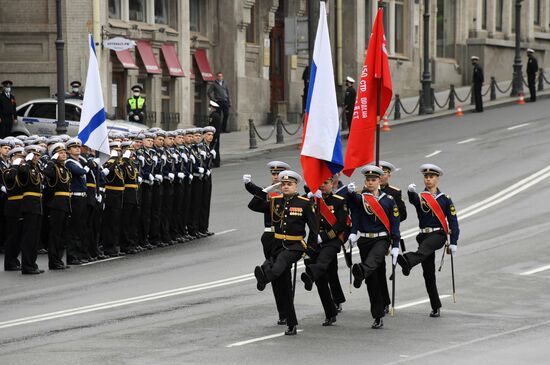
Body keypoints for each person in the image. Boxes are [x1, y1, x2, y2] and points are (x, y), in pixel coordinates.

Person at [252, 170, 318, 336]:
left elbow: (314, 230)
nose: (286, 186)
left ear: (296, 186)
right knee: (284, 287)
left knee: (280, 263)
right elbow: (253, 205)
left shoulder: (304, 203)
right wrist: (266, 190)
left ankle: (265, 278)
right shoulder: (276, 201)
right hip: (277, 243)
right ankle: (291, 323)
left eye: (289, 184)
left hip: (295, 245)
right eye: (283, 184)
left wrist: (309, 251)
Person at [397, 164, 459, 318]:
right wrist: (410, 192)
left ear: (437, 179)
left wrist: (454, 241)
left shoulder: (445, 199)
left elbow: (453, 221)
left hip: (438, 235)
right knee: (428, 273)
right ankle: (435, 306)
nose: (428, 179)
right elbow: (413, 201)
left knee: (425, 249)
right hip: (423, 236)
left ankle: (408, 261)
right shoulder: (420, 197)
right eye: (426, 177)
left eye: (431, 177)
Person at [344, 165, 401, 329]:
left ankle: (360, 270)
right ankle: (377, 315)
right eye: (368, 180)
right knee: (373, 280)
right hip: (365, 240)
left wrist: (396, 244)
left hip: (381, 240)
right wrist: (353, 233)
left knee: (373, 261)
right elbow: (354, 212)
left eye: (373, 180)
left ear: (379, 181)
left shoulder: (388, 200)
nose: (370, 182)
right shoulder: (361, 198)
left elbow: (395, 224)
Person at [244, 160, 291, 325]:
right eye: (273, 174)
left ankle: (287, 310)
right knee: (277, 278)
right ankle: (283, 313)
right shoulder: (270, 193)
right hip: (269, 237)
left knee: (283, 275)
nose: (275, 176)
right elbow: (254, 204)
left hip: (285, 239)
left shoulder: (290, 195)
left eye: (279, 174)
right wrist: (265, 189)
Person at [300, 176, 348, 326]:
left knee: (325, 266)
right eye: (319, 183)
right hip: (314, 241)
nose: (322, 186)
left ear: (332, 184)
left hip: (331, 241)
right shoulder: (310, 200)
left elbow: (340, 225)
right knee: (322, 280)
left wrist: (324, 237)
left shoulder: (339, 201)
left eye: (325, 183)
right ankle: (330, 313)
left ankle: (311, 276)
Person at [378, 160, 407, 313]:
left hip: (388, 233)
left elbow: (402, 215)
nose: (381, 176)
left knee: (381, 267)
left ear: (389, 175)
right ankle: (382, 300)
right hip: (372, 234)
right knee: (378, 268)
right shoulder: (366, 191)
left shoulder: (394, 192)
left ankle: (384, 302)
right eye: (379, 173)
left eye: (384, 173)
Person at [43, 142, 72, 270]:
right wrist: (51, 161)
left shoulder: (64, 168)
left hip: (65, 202)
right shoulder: (53, 167)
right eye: (60, 153)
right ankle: (53, 261)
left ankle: (59, 259)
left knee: (62, 234)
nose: (64, 154)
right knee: (55, 233)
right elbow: (47, 173)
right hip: (57, 203)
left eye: (64, 152)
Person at [18, 145, 46, 274]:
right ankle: (27, 266)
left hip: (37, 204)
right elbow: (22, 174)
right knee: (29, 236)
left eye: (38, 155)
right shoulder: (24, 166)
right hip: (29, 204)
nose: (36, 157)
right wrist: (27, 161)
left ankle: (32, 264)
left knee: (35, 237)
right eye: (34, 155)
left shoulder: (37, 168)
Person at [64, 138, 90, 264]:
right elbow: (78, 172)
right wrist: (88, 167)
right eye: (74, 147)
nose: (77, 149)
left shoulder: (80, 161)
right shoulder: (69, 162)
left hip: (82, 197)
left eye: (78, 147)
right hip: (75, 197)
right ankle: (72, 255)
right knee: (74, 227)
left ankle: (79, 253)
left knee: (81, 226)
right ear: (68, 151)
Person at [3, 145, 24, 271]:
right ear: (12, 158)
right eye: (18, 157)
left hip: (22, 206)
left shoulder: (22, 172)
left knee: (19, 236)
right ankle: (9, 262)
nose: (21, 160)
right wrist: (15, 166)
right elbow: (9, 179)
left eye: (22, 157)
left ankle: (15, 260)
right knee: (12, 236)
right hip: (13, 206)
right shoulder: (9, 171)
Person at [208, 100, 221, 168]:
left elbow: (212, 126)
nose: (209, 108)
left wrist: (213, 136)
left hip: (214, 135)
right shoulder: (217, 115)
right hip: (215, 135)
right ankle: (216, 162)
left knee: (213, 148)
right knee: (215, 148)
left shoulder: (213, 116)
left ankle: (215, 162)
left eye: (210, 107)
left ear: (213, 108)